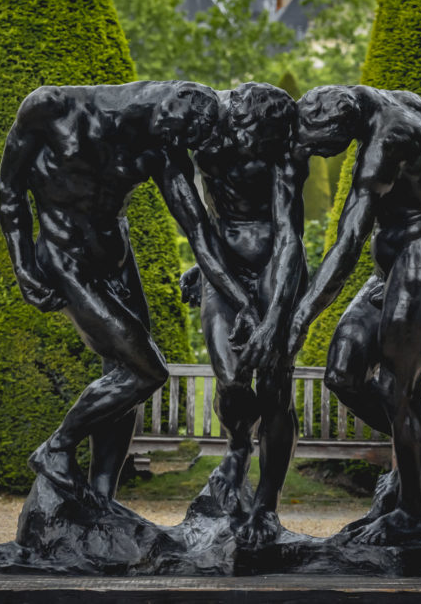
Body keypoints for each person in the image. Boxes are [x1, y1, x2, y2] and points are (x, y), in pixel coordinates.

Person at [0, 80, 253, 506]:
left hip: (117, 261)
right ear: (165, 114)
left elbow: (197, 232)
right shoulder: (51, 108)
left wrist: (240, 299)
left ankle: (102, 498)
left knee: (121, 375)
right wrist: (24, 266)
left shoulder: (160, 147)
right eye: (181, 141)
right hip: (65, 258)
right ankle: (57, 447)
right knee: (146, 370)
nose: (181, 151)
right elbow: (9, 191)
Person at [288, 85, 421, 546]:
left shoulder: (387, 141)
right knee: (342, 373)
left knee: (395, 389)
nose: (322, 157)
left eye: (322, 148)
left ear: (340, 126)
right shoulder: (402, 102)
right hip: (391, 272)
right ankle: (420, 454)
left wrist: (299, 318)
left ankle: (414, 516)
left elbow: (347, 244)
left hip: (420, 269)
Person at [181, 82, 306, 545]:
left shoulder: (282, 151)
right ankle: (237, 447)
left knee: (275, 386)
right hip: (225, 265)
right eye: (261, 137)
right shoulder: (205, 134)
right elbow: (203, 216)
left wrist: (274, 317)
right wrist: (205, 261)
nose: (269, 146)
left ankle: (267, 506)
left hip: (277, 264)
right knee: (232, 378)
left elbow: (291, 235)